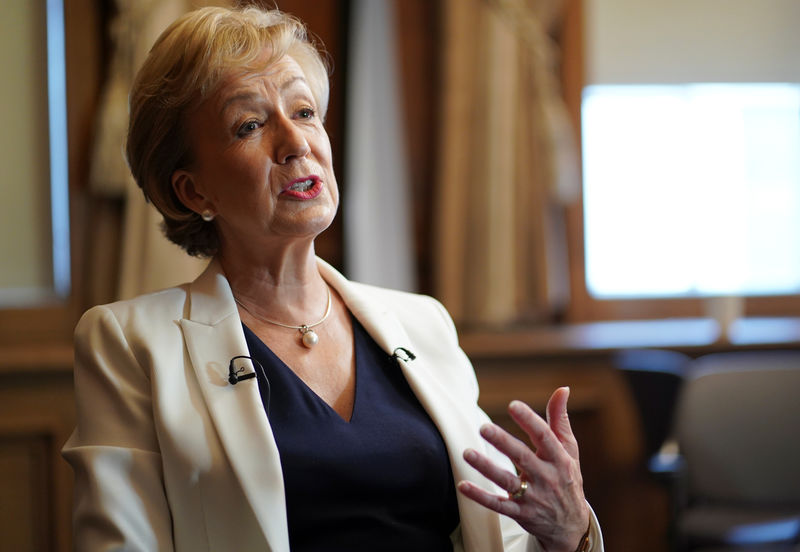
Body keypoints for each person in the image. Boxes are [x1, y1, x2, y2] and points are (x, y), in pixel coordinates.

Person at [62, 5, 603, 551]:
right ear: (194, 191)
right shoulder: (130, 343)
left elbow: (497, 541)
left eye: (304, 112)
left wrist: (568, 531)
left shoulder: (424, 323)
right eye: (250, 124)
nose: (296, 143)